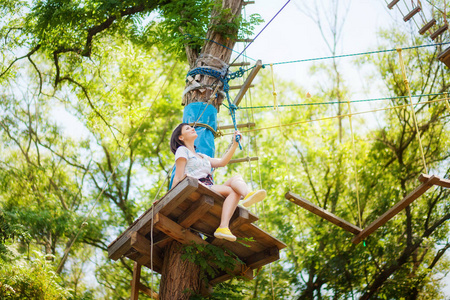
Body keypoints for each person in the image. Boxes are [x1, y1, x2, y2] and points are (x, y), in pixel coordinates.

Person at [170, 123, 266, 242]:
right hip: (197, 187)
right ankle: (223, 226)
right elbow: (178, 176)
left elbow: (222, 162)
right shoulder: (182, 150)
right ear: (181, 137)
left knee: (236, 179)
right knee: (232, 191)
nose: (192, 129)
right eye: (188, 128)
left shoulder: (202, 156)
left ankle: (247, 195)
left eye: (192, 127)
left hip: (208, 186)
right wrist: (168, 198)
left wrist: (234, 144)